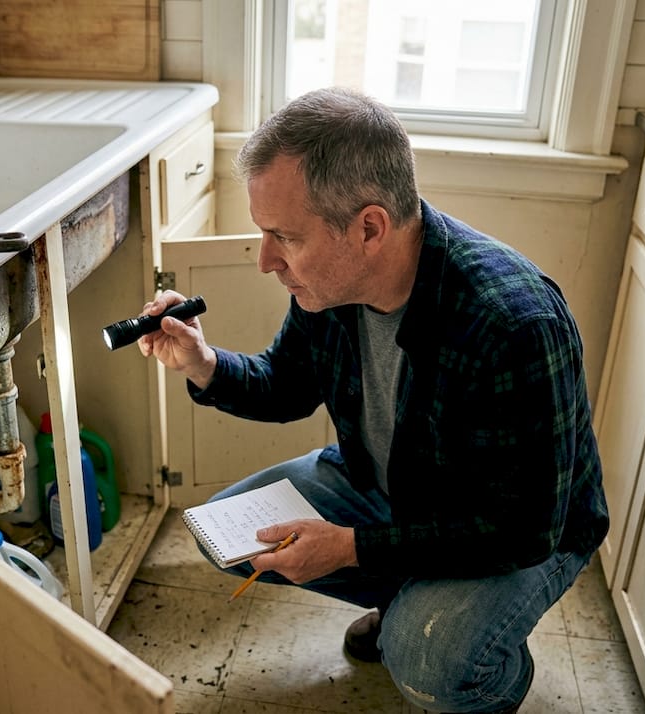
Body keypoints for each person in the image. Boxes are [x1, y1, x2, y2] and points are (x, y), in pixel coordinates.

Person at [137, 87, 608, 714]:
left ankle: (475, 666)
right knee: (226, 532)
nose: (265, 260)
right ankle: (410, 595)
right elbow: (285, 384)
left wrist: (350, 547)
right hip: (387, 483)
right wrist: (201, 361)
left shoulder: (511, 324)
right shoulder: (331, 282)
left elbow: (522, 530)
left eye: (284, 237)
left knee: (430, 663)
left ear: (368, 228)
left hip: (518, 528)